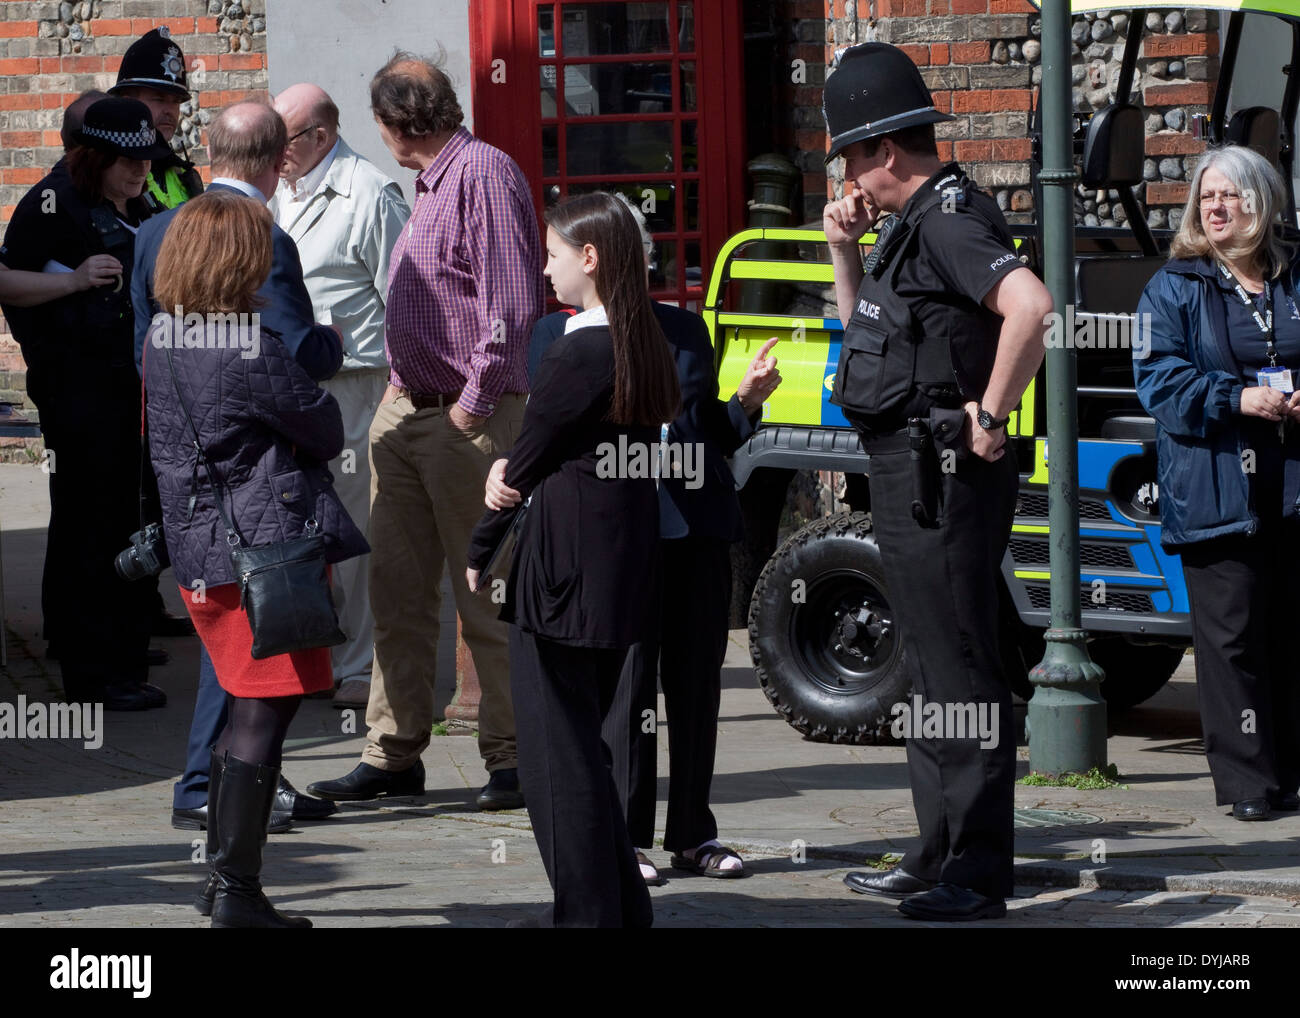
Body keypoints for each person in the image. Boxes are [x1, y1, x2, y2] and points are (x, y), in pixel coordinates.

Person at [820, 44, 1051, 921]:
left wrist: (991, 415)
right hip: (907, 473)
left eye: (849, 157)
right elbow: (868, 343)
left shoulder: (948, 223)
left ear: (883, 153)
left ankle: (978, 869)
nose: (846, 176)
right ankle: (935, 849)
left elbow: (1032, 307)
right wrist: (845, 252)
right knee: (925, 668)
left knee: (960, 671)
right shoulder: (905, 227)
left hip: (943, 474)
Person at [515, 200, 782, 883]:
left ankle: (694, 833)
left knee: (696, 688)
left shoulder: (684, 330)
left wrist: (741, 407)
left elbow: (699, 438)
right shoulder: (554, 333)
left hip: (690, 530)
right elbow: (557, 445)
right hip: (614, 540)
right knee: (624, 695)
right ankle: (625, 840)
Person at [308, 52, 544, 812]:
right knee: (397, 591)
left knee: (485, 590)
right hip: (408, 407)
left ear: (393, 123)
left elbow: (510, 310)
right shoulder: (432, 181)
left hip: (463, 416)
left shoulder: (485, 175)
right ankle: (392, 751)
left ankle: (510, 757)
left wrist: (471, 409)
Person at [143, 190, 368, 928]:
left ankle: (220, 884)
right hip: (262, 556)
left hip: (202, 553)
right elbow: (326, 425)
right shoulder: (247, 347)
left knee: (248, 709)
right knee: (261, 721)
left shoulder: (163, 337)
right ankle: (237, 895)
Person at [467, 191, 680, 927]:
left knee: (558, 754)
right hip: (621, 561)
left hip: (562, 570)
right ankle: (619, 902)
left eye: (553, 255)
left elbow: (523, 462)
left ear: (590, 260)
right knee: (586, 743)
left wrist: (479, 546)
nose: (545, 268)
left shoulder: (578, 349)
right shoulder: (641, 335)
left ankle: (587, 911)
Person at [132, 99, 344, 833]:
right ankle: (232, 872)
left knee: (235, 680)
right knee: (259, 697)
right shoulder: (250, 326)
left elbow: (148, 378)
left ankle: (225, 859)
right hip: (256, 533)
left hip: (192, 521)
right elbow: (320, 419)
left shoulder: (165, 326)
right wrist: (327, 344)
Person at [1134, 144, 1300, 822]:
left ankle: (1292, 770)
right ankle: (1248, 784)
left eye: (1230, 194)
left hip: (1291, 485)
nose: (1217, 206)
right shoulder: (1174, 287)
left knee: (1289, 631)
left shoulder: (1294, 274)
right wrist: (1236, 400)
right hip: (1216, 486)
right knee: (1232, 641)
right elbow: (1158, 381)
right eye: (1207, 196)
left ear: (1261, 201)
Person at [0, 97, 172, 712]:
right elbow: (6, 279)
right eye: (127, 162)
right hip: (80, 391)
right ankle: (91, 672)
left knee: (128, 520)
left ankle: (118, 657)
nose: (140, 173)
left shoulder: (142, 203)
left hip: (135, 391)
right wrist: (73, 280)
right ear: (95, 156)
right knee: (89, 525)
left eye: (145, 162)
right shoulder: (53, 204)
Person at [269, 83, 411, 710]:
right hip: (284, 387)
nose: (275, 152)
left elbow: (403, 302)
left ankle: (358, 665)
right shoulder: (276, 187)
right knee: (291, 523)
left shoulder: (370, 193)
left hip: (354, 386)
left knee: (351, 531)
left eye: (285, 140)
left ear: (320, 138)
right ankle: (304, 653)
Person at [108, 26, 203, 212]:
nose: (170, 110)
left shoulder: (181, 173)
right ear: (128, 102)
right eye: (159, 99)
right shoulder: (109, 173)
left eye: (175, 101)